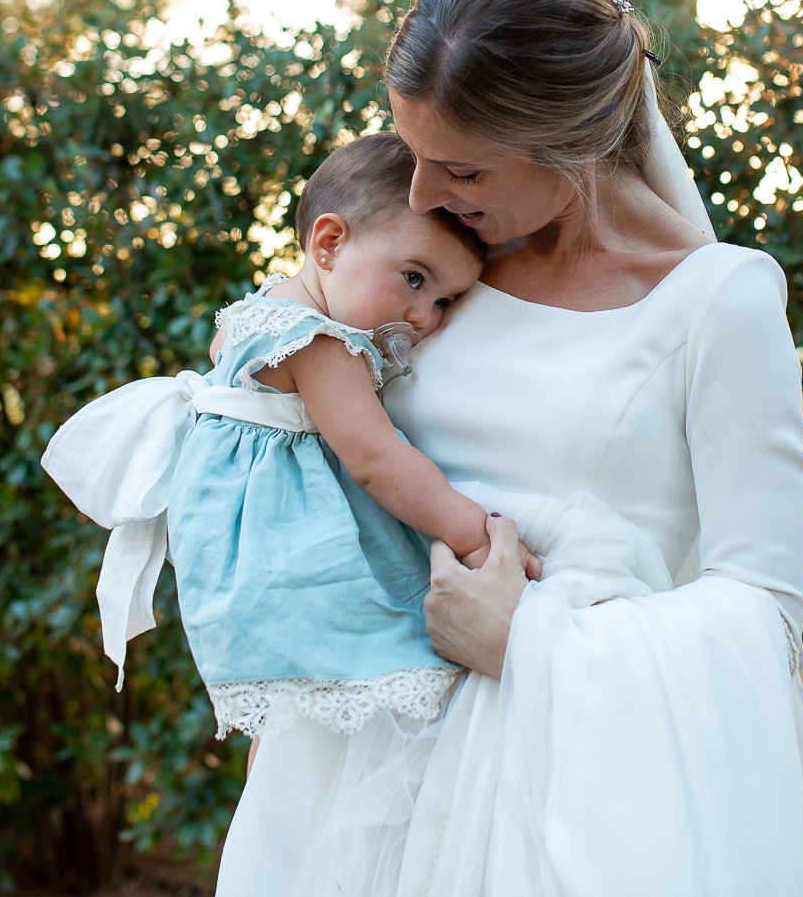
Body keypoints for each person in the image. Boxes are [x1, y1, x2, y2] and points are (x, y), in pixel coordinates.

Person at [214, 0, 803, 897]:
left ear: (567, 142)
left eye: (461, 171)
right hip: (348, 777)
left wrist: (528, 644)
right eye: (413, 158)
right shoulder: (433, 274)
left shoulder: (714, 301)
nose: (420, 197)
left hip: (564, 801)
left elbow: (764, 616)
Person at [42, 133, 522, 740]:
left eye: (446, 298)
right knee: (376, 694)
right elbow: (376, 459)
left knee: (293, 737)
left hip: (243, 558)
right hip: (298, 551)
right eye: (413, 278)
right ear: (329, 243)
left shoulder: (260, 308)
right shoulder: (321, 346)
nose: (426, 316)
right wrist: (472, 532)